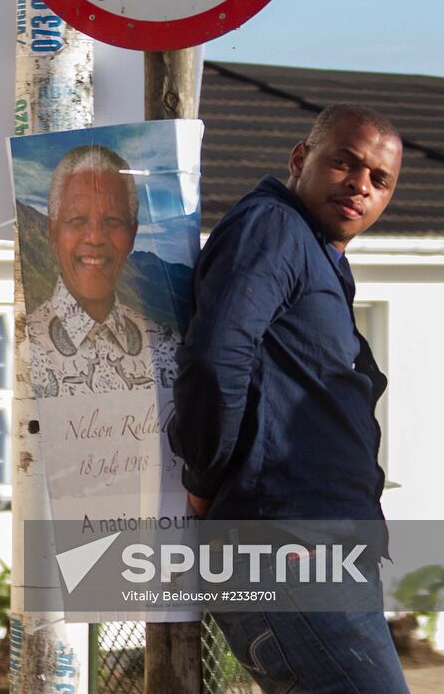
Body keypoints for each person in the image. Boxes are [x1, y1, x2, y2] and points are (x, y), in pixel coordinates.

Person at [169, 104, 408, 693]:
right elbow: (215, 356)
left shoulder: (316, 251)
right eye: (344, 164)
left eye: (380, 180)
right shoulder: (272, 227)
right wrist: (203, 476)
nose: (360, 185)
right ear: (301, 159)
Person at [27, 145, 178, 397]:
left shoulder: (168, 348)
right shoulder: (21, 347)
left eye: (113, 220)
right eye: (77, 220)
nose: (96, 237)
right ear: (53, 233)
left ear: (132, 234)